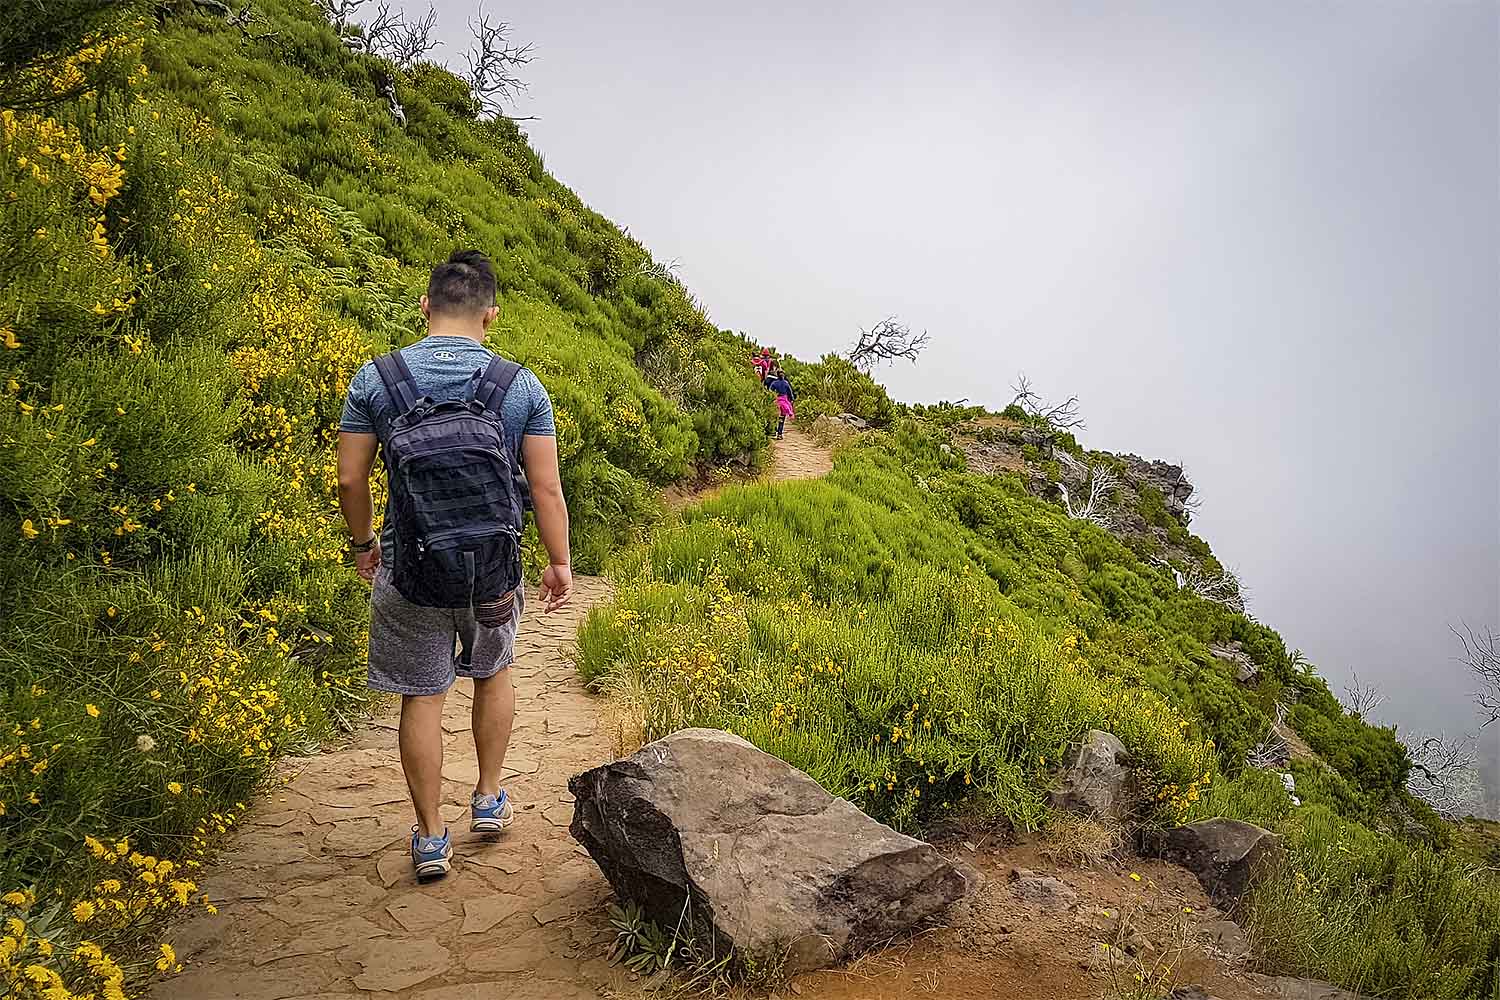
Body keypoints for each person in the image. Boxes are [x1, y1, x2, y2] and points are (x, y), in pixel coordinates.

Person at [336, 249, 572, 879]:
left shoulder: (376, 380)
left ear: (425, 307)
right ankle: (489, 798)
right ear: (491, 315)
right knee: (492, 674)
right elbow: (546, 490)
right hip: (492, 570)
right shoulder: (518, 385)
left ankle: (431, 835)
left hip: (411, 569)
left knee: (421, 696)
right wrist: (559, 563)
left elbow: (351, 479)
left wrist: (364, 546)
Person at [766, 367, 795, 439]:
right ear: (783, 375)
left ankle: (773, 432)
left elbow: (770, 392)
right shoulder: (786, 383)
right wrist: (791, 400)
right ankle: (779, 434)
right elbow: (790, 393)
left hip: (776, 402)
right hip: (784, 402)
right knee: (782, 418)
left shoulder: (774, 383)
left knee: (775, 418)